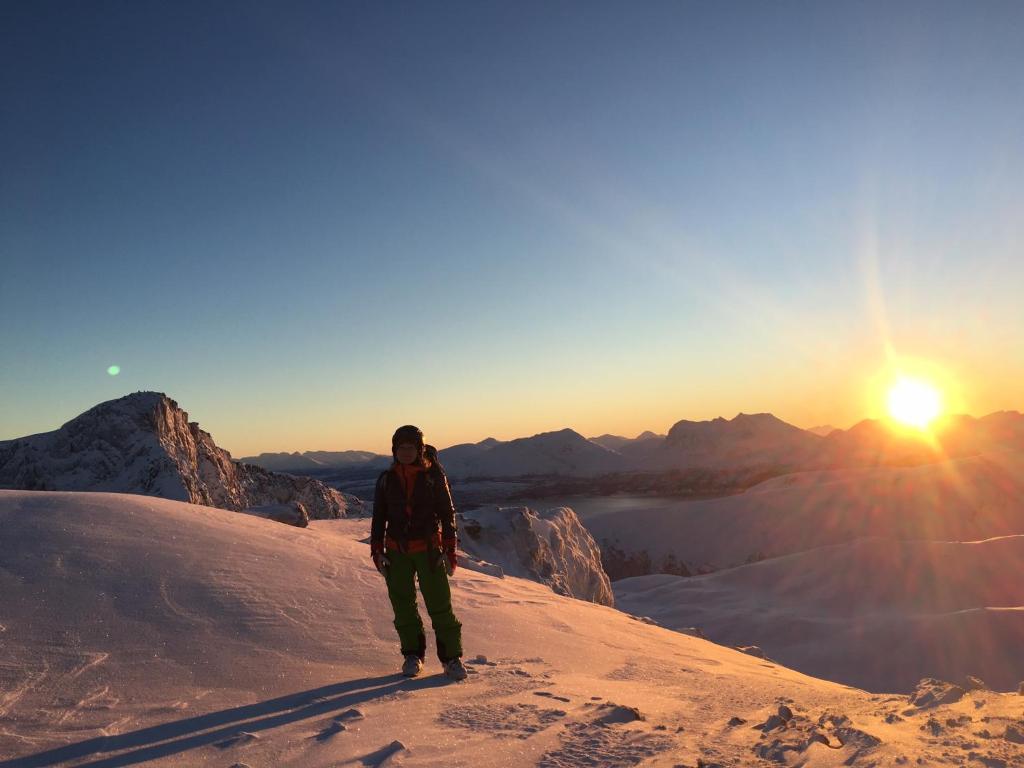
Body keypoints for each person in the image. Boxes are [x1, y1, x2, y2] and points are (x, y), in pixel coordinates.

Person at [370, 424, 467, 680]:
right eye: (400, 448)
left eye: (410, 448)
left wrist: (449, 549)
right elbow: (379, 517)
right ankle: (412, 656)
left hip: (429, 550)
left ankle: (451, 659)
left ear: (419, 449)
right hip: (396, 551)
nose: (405, 452)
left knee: (439, 603)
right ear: (394, 450)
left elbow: (447, 514)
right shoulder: (386, 480)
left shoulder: (434, 477)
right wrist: (376, 550)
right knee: (403, 605)